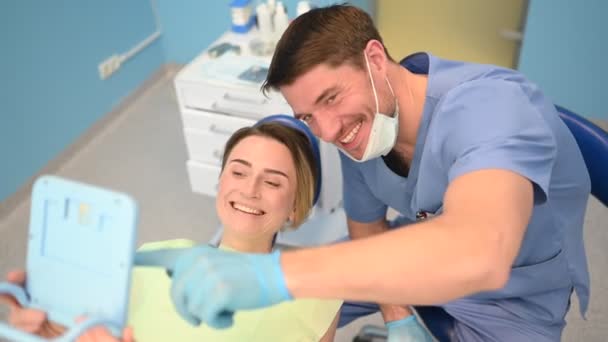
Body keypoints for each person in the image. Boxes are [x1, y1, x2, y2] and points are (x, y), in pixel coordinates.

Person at [132, 5, 587, 341]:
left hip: (512, 293)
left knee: (290, 284)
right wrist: (397, 313)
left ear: (374, 59)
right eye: (308, 116)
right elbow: (367, 229)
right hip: (420, 250)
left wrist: (275, 274)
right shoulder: (368, 134)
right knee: (292, 310)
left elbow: (479, 251)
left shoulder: (492, 107)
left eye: (330, 98)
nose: (329, 132)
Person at [1, 116, 342, 342]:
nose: (250, 190)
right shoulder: (152, 258)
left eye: (272, 181)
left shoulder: (316, 297)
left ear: (296, 206)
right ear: (221, 182)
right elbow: (85, 328)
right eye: (238, 172)